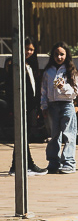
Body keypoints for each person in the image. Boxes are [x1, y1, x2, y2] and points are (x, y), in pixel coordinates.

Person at [5, 38, 46, 175]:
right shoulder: (13, 64)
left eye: (31, 49)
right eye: (26, 48)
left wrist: (38, 108)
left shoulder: (32, 64)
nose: (28, 52)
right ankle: (22, 165)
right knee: (21, 136)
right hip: (20, 106)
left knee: (25, 136)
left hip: (32, 106)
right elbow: (10, 87)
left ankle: (22, 165)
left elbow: (35, 88)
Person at [39, 42, 78, 175]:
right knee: (54, 136)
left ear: (66, 55)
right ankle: (53, 162)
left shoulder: (71, 71)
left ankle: (68, 163)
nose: (59, 57)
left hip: (67, 105)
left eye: (62, 54)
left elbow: (76, 92)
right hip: (52, 106)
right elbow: (44, 90)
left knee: (69, 134)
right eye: (56, 54)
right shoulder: (48, 71)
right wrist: (44, 106)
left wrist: (63, 87)